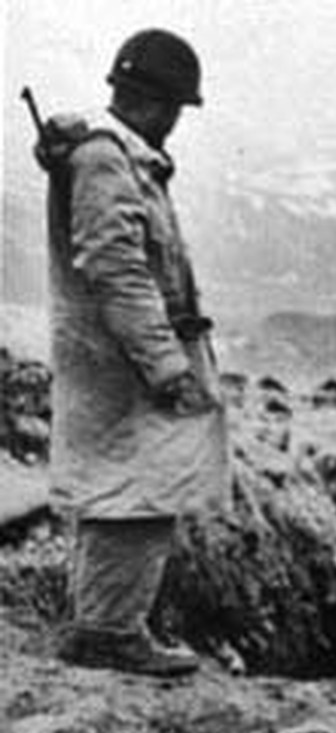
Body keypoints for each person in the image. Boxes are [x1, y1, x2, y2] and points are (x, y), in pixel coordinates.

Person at [35, 28, 230, 677]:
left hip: (118, 356)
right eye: (175, 108)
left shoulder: (114, 156)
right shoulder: (107, 159)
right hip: (123, 363)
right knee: (139, 489)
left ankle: (102, 623)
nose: (176, 122)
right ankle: (110, 632)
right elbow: (117, 271)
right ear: (159, 103)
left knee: (126, 487)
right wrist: (167, 364)